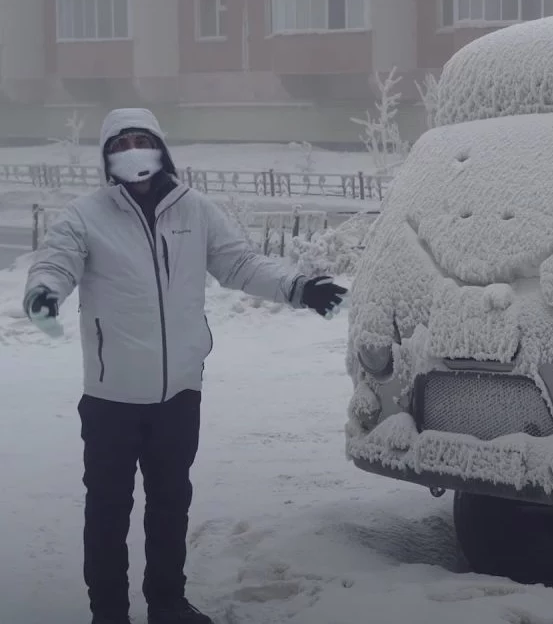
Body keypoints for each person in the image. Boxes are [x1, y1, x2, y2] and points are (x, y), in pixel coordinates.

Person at [23, 108, 348, 624]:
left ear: (161, 147)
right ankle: (108, 612)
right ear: (107, 157)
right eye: (121, 142)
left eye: (142, 139)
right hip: (111, 397)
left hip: (179, 394)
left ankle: (167, 603)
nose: (132, 149)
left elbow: (239, 263)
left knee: (170, 506)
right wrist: (44, 292)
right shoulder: (86, 215)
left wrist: (299, 287)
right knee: (108, 511)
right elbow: (57, 260)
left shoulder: (195, 211)